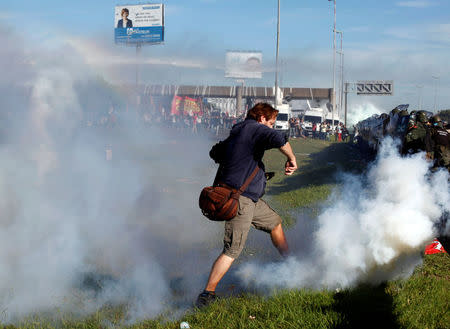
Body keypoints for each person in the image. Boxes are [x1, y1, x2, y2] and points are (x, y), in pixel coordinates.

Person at [196, 103, 298, 308]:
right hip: (240, 201)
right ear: (261, 118)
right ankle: (207, 294)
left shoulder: (239, 131)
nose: (270, 127)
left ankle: (292, 264)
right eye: (270, 123)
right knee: (232, 249)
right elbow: (280, 139)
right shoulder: (254, 128)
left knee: (275, 223)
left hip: (249, 199)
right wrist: (292, 159)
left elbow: (215, 153)